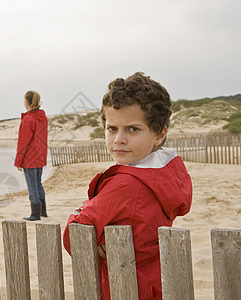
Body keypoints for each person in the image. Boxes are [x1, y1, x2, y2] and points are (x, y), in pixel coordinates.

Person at [62, 72, 193, 299]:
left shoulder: (125, 184)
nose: (119, 139)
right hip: (153, 283)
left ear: (160, 134)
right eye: (112, 128)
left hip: (122, 286)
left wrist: (87, 220)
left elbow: (75, 235)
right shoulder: (165, 173)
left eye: (133, 129)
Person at [15, 90, 48, 221]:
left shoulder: (28, 119)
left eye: (24, 100)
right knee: (38, 183)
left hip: (30, 158)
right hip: (40, 155)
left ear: (27, 102)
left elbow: (23, 142)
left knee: (32, 186)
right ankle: (43, 211)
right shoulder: (42, 117)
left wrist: (18, 161)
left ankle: (35, 214)